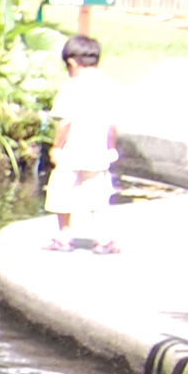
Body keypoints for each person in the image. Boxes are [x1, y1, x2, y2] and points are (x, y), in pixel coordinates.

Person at [43, 33, 120, 251]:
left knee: (62, 192)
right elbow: (112, 125)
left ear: (71, 62)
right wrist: (110, 147)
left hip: (72, 151)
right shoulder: (110, 86)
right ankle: (104, 240)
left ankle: (64, 236)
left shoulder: (70, 87)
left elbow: (65, 121)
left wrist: (56, 146)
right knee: (98, 195)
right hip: (97, 152)